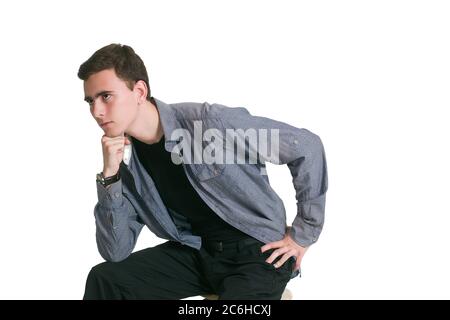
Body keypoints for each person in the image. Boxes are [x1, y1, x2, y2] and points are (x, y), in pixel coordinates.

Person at [78, 43, 328, 300]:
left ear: (139, 91)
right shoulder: (128, 166)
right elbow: (115, 251)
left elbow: (305, 146)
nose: (96, 111)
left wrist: (303, 235)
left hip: (257, 252)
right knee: (106, 279)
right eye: (90, 101)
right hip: (197, 252)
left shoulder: (208, 123)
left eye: (106, 96)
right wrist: (110, 175)